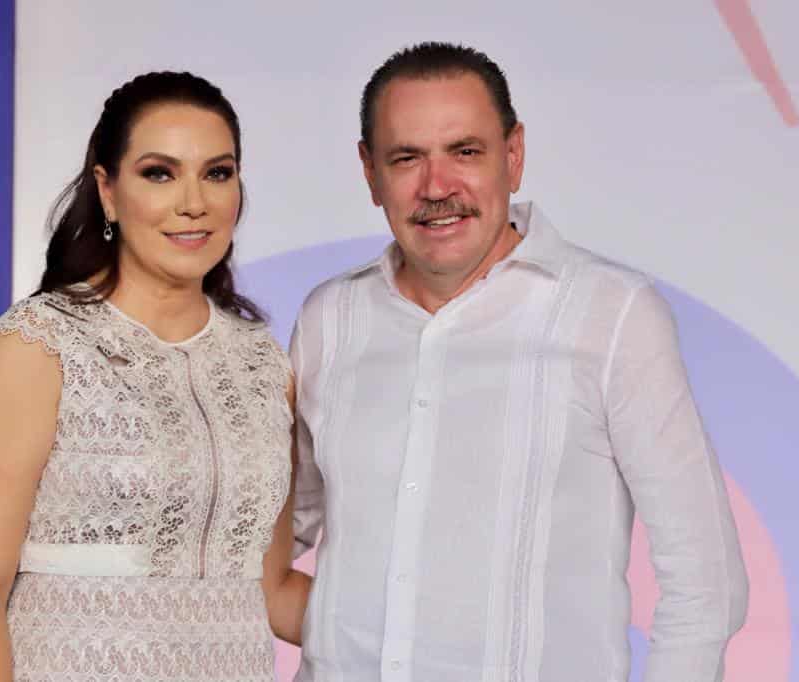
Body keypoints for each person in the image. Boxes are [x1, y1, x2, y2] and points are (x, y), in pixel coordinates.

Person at [291, 43, 748, 681]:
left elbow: (706, 581)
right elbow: (276, 527)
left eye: (465, 151)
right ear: (369, 171)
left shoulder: (612, 315)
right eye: (407, 158)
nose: (437, 187)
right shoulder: (329, 318)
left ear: (514, 155)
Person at [0, 70, 310, 682]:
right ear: (107, 191)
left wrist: (432, 630)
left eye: (217, 173)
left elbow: (272, 591)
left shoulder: (264, 365)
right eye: (159, 173)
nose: (193, 202)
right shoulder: (39, 346)